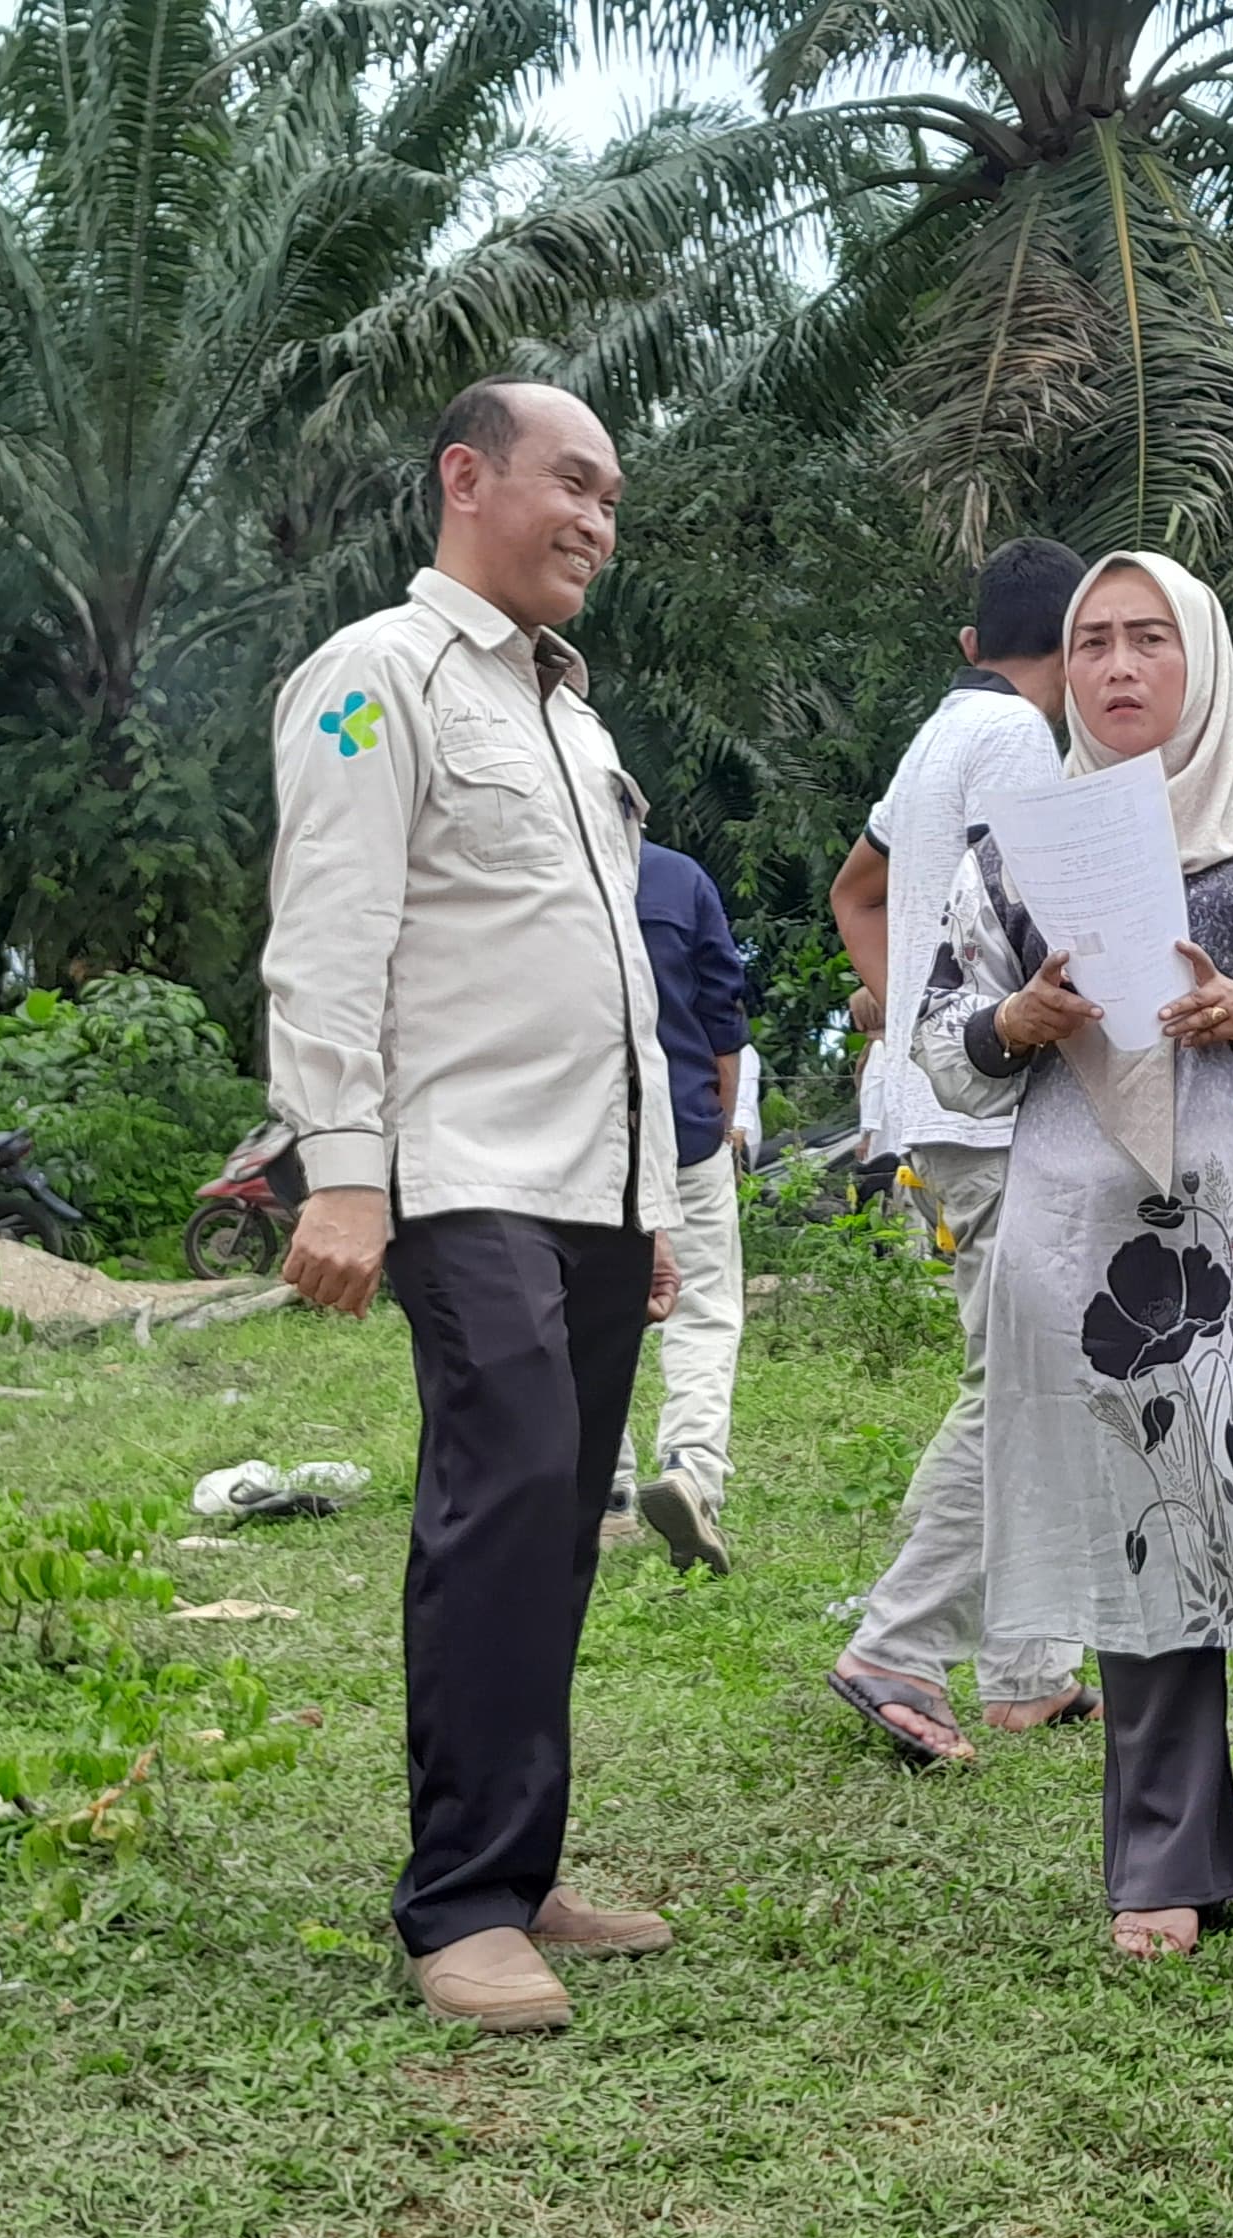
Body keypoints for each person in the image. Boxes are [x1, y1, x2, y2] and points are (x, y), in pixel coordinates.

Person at [914, 550, 1233, 1957]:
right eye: (1092, 645)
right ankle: (1164, 1860)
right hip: (1093, 1227)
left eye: (1150, 640)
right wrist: (1015, 1024)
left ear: (1202, 658)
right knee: (1142, 1521)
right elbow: (938, 1041)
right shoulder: (1015, 844)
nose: (1121, 669)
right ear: (1063, 673)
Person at [262, 376, 685, 2033]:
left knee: (556, 1523)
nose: (594, 519)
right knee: (500, 1502)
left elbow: (610, 980)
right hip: (464, 1172)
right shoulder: (379, 679)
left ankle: (518, 1865)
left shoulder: (572, 716)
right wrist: (344, 1174)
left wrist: (648, 1205)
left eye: (611, 498)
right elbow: (327, 935)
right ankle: (456, 1905)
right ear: (465, 478)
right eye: (570, 481)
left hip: (590, 1182)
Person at [821, 537, 1093, 1763]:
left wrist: (900, 1014)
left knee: (1036, 1373)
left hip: (933, 1105)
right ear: (1077, 640)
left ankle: (1029, 1665)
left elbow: (856, 888)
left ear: (974, 645)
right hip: (990, 1108)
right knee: (1023, 1387)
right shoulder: (1023, 745)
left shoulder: (938, 736)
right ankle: (897, 1643)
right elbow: (1051, 925)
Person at [618, 838, 752, 1574]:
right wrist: (718, 1124)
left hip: (575, 1137)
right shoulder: (678, 879)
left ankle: (604, 1490)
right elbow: (721, 1019)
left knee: (592, 1306)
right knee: (702, 1308)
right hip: (685, 1128)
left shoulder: (536, 873)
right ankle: (692, 1471)